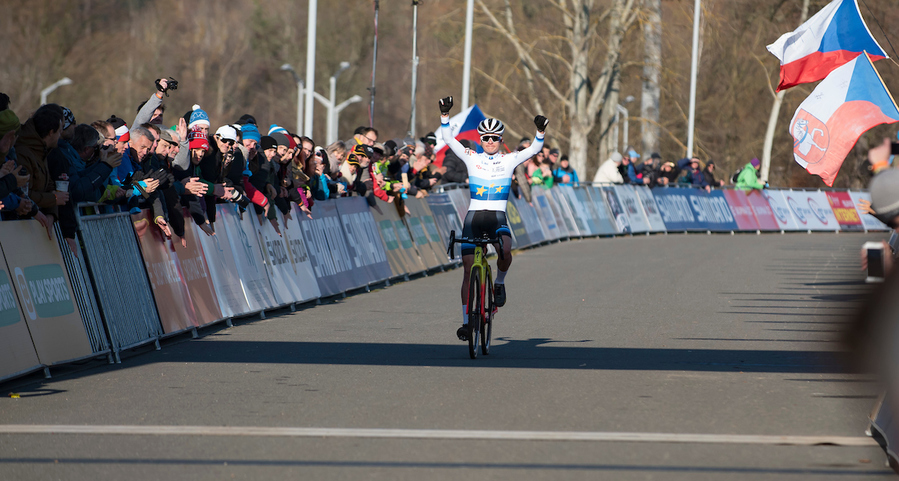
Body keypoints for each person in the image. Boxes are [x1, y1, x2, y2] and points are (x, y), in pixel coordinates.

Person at [438, 95, 548, 341]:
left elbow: (534, 149)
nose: (489, 142)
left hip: (497, 216)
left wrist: (539, 132)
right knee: (468, 269)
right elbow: (447, 139)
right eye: (485, 138)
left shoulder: (509, 159)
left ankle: (499, 282)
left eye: (494, 138)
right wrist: (444, 116)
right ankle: (467, 322)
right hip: (474, 217)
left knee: (506, 250)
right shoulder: (471, 157)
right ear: (480, 140)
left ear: (500, 140)